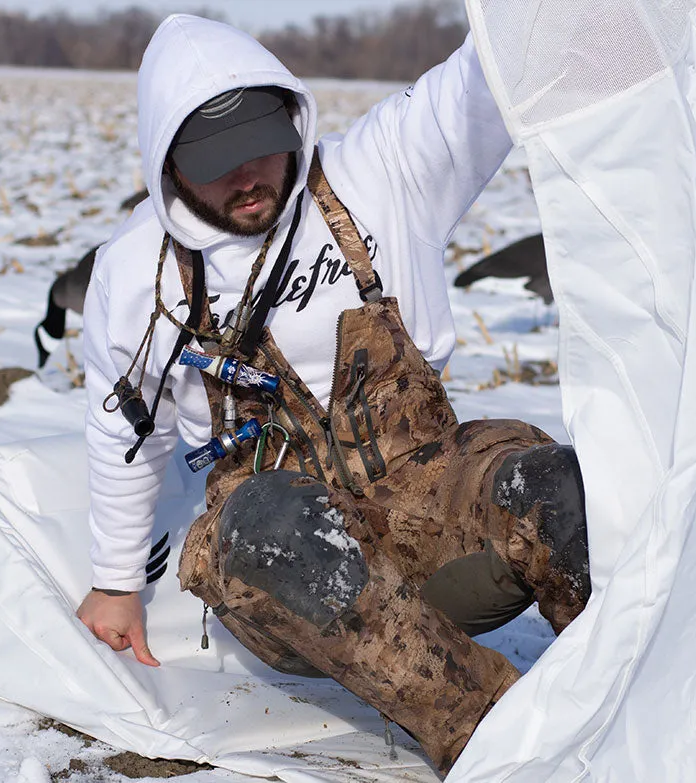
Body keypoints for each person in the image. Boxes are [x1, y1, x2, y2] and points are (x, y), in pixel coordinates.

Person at [77, 12, 591, 774]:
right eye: (217, 160)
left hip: (431, 505)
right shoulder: (135, 276)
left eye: (262, 144)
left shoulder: (382, 170)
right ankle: (511, 745)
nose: (248, 174)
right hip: (287, 570)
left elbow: (489, 74)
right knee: (274, 517)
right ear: (169, 165)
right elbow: (127, 430)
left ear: (291, 119)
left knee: (562, 484)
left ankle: (628, 688)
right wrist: (115, 582)